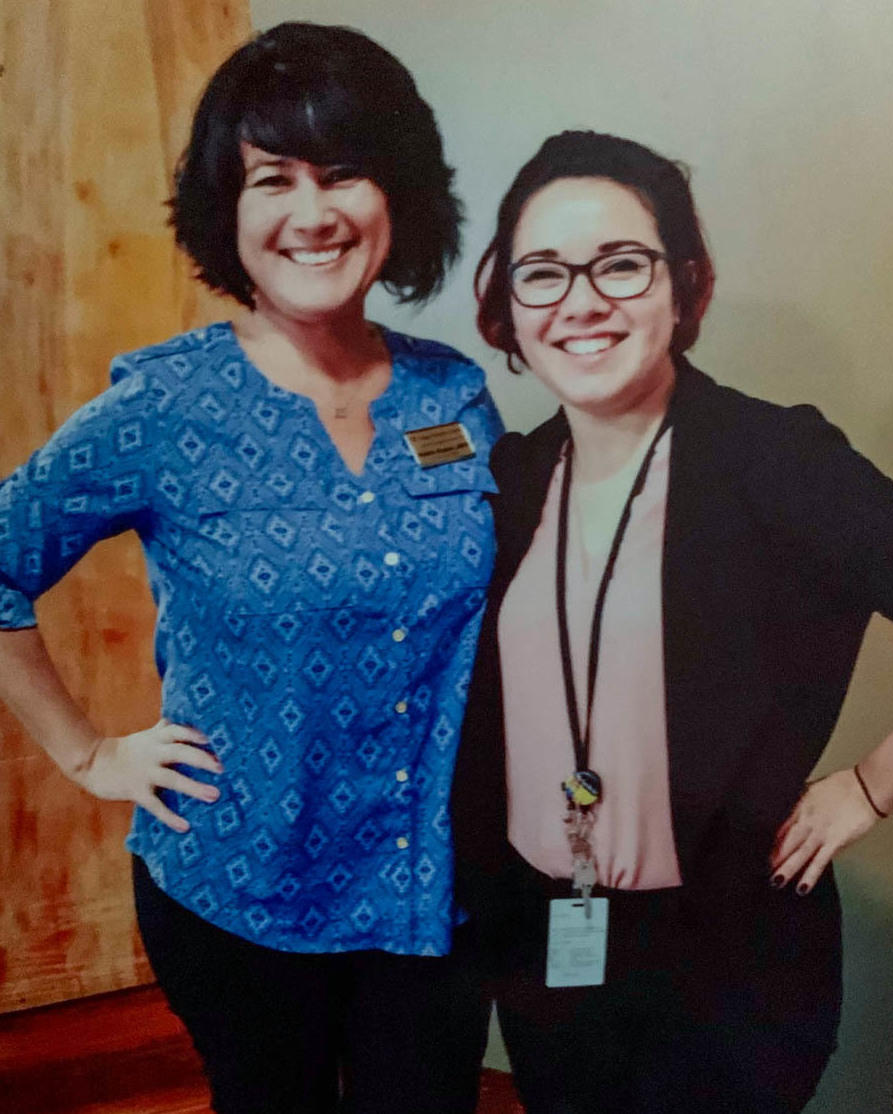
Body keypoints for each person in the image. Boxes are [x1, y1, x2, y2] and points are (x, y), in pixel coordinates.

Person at [0, 23, 502, 1114]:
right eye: (273, 177)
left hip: (434, 892)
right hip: (243, 890)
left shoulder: (454, 395)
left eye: (345, 171)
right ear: (229, 212)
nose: (311, 211)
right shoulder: (165, 408)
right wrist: (87, 756)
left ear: (398, 195)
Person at [452, 130, 893, 1114]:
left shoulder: (774, 459)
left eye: (620, 262)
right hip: (548, 944)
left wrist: (872, 786)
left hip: (728, 970)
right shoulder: (515, 477)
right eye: (543, 272)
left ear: (684, 282)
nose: (581, 299)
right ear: (509, 305)